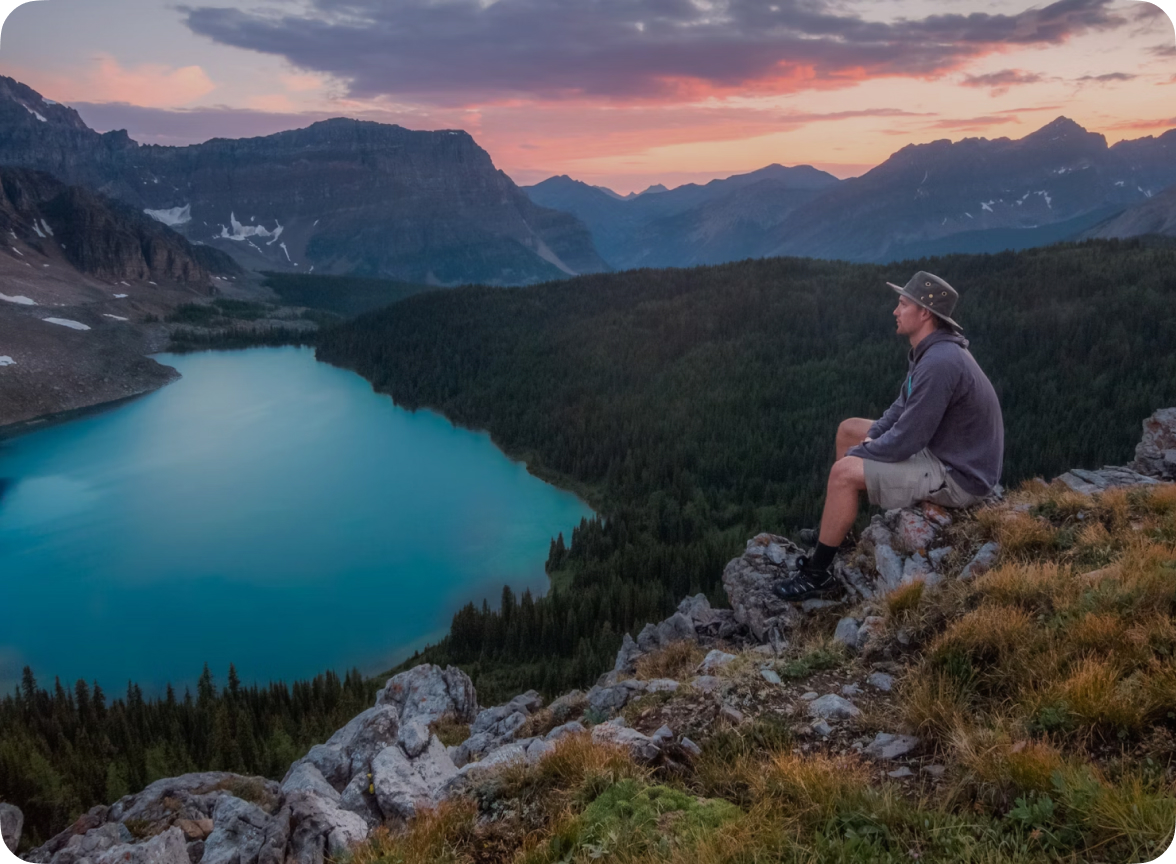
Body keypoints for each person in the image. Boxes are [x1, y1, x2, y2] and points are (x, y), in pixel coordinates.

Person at [773, 270, 1004, 602]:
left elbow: (908, 439)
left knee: (843, 473)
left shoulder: (940, 362)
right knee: (848, 430)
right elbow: (900, 408)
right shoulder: (930, 351)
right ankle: (839, 531)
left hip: (960, 476)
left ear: (924, 313)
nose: (895, 311)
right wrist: (870, 439)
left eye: (902, 304)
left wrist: (864, 454)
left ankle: (817, 573)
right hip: (946, 452)